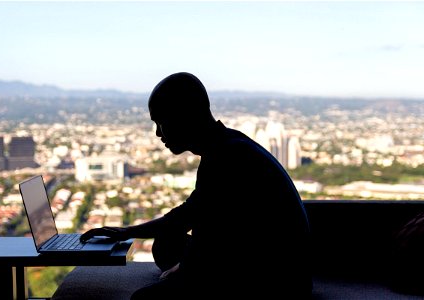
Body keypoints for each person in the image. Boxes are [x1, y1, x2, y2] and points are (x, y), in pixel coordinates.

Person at [80, 72, 312, 299]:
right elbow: (191, 214)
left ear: (184, 115)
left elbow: (213, 237)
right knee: (166, 243)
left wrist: (186, 272)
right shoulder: (227, 145)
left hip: (274, 281)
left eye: (161, 121)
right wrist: (127, 233)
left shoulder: (226, 157)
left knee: (144, 299)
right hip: (266, 262)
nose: (158, 133)